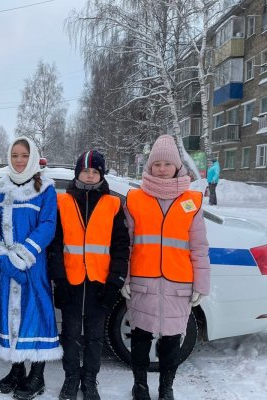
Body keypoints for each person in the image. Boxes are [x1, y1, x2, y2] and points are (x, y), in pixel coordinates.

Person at [121, 135, 210, 400]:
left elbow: (199, 247)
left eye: (167, 164)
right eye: (156, 163)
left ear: (177, 167)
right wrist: (123, 278)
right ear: (149, 166)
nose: (161, 168)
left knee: (172, 339)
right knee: (140, 336)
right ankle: (140, 386)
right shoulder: (135, 199)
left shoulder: (191, 201)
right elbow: (126, 244)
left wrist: (201, 284)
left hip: (178, 284)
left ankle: (166, 388)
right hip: (142, 282)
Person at [0, 137, 62, 400]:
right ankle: (16, 369)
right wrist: (0, 251)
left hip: (32, 264)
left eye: (24, 156)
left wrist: (23, 253)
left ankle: (37, 375)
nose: (19, 160)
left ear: (33, 158)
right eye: (15, 155)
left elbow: (48, 225)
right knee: (7, 313)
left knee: (35, 315)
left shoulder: (45, 189)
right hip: (5, 265)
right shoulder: (0, 188)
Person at [47, 150, 130, 400]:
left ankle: (90, 380)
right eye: (86, 171)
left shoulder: (113, 204)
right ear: (77, 173)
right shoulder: (63, 202)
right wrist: (59, 279)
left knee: (95, 337)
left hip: (99, 283)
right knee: (71, 334)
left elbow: (120, 246)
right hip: (71, 282)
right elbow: (54, 244)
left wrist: (115, 280)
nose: (90, 175)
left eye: (95, 171)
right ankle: (71, 378)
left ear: (101, 175)